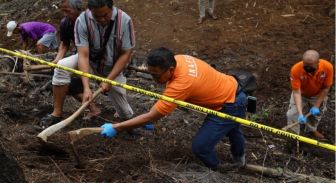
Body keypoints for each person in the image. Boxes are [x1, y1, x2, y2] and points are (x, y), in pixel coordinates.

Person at [100, 47, 247, 171]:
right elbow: (156, 107)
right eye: (150, 73)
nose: (153, 79)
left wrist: (117, 127)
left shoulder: (181, 84)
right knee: (233, 128)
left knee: (200, 147)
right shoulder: (178, 59)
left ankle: (218, 170)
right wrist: (147, 116)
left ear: (170, 69)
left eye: (156, 75)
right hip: (231, 87)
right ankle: (239, 160)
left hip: (229, 104)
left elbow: (153, 116)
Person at [40, 0, 135, 128]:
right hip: (89, 61)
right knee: (61, 66)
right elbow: (83, 55)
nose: (101, 19)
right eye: (97, 16)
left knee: (126, 114)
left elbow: (125, 54)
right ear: (90, 11)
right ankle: (56, 113)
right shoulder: (82, 20)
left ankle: (126, 118)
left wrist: (109, 80)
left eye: (105, 15)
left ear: (112, 8)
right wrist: (86, 88)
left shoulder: (124, 20)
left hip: (112, 66)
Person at [39, 0, 101, 127]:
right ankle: (60, 112)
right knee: (67, 83)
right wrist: (57, 59)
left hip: (99, 56)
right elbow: (64, 43)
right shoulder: (66, 23)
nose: (66, 14)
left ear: (79, 9)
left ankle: (121, 112)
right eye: (64, 11)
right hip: (80, 56)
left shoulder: (92, 20)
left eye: (68, 11)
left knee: (114, 91)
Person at [286, 50, 333, 139]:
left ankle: (311, 129)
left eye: (310, 66)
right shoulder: (296, 69)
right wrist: (300, 113)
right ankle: (293, 136)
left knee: (316, 115)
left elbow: (326, 88)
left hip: (317, 94)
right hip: (301, 94)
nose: (308, 69)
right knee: (292, 114)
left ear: (318, 62)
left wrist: (316, 106)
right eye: (305, 66)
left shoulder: (327, 67)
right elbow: (296, 92)